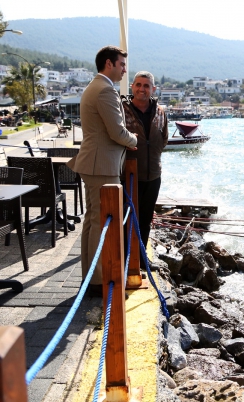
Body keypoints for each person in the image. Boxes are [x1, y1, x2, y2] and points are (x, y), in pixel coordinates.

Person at [66, 45, 138, 296]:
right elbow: (117, 132)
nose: (124, 69)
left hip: (95, 163)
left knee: (92, 221)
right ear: (109, 63)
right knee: (100, 223)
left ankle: (91, 277)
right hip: (101, 165)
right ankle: (97, 282)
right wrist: (135, 140)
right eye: (121, 64)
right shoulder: (105, 89)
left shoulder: (94, 87)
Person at [121, 71, 168, 247]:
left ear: (153, 89)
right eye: (138, 85)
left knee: (146, 219)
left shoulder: (160, 112)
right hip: (128, 175)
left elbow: (163, 139)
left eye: (146, 85)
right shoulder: (121, 111)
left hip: (154, 175)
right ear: (132, 86)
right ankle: (125, 259)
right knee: (127, 219)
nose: (142, 89)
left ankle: (141, 260)